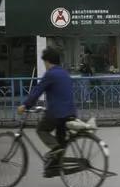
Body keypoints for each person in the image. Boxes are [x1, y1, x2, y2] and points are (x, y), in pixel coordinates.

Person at [17, 47, 77, 177]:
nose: (44, 65)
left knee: (41, 130)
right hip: (71, 112)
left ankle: (56, 150)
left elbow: (37, 91)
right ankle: (54, 167)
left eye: (44, 62)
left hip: (57, 113)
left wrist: (25, 105)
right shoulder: (64, 73)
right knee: (60, 141)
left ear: (48, 61)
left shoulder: (50, 74)